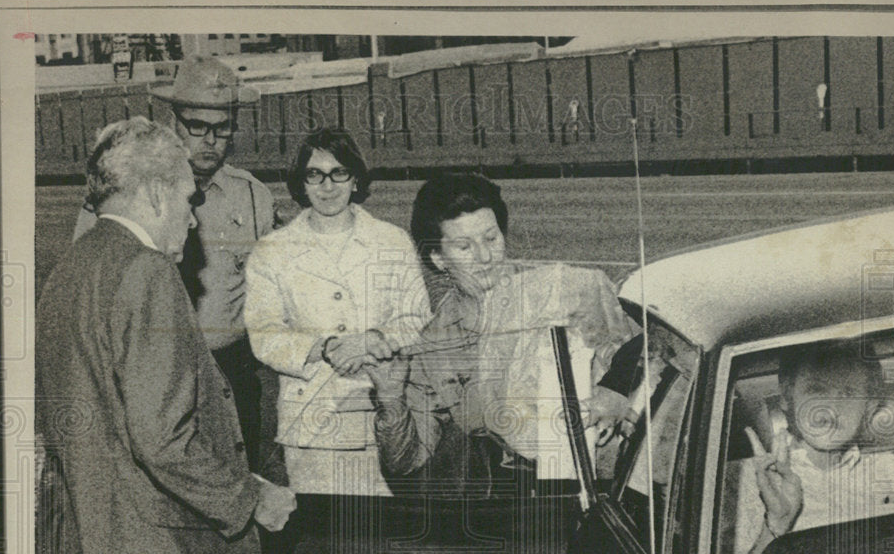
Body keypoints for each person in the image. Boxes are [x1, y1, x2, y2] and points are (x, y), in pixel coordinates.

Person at [36, 117, 297, 554]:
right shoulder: (147, 273)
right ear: (153, 196)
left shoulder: (73, 269)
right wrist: (249, 496)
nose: (193, 213)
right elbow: (163, 439)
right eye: (188, 196)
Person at [73, 55, 277, 473]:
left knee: (241, 486)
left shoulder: (253, 196)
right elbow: (90, 285)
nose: (210, 141)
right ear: (173, 122)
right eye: (197, 127)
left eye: (223, 129)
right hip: (155, 376)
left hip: (232, 373)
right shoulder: (126, 193)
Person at [368, 172, 633, 490]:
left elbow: (650, 344)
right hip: (526, 493)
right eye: (464, 246)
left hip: (610, 479)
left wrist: (616, 389)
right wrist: (390, 396)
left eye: (491, 239)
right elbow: (407, 462)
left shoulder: (558, 288)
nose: (484, 257)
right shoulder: (433, 347)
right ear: (438, 258)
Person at [244, 127, 431, 496]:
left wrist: (374, 341)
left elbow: (418, 318)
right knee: (328, 538)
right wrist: (326, 348)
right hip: (313, 421)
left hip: (386, 412)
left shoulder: (390, 240)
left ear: (355, 177)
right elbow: (264, 335)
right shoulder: (272, 250)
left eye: (338, 173)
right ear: (302, 182)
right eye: (315, 175)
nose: (327, 186)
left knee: (387, 539)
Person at [720, 342, 894, 554]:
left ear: (870, 407)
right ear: (787, 398)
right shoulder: (741, 478)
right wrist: (775, 527)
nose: (829, 408)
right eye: (816, 390)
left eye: (848, 394)